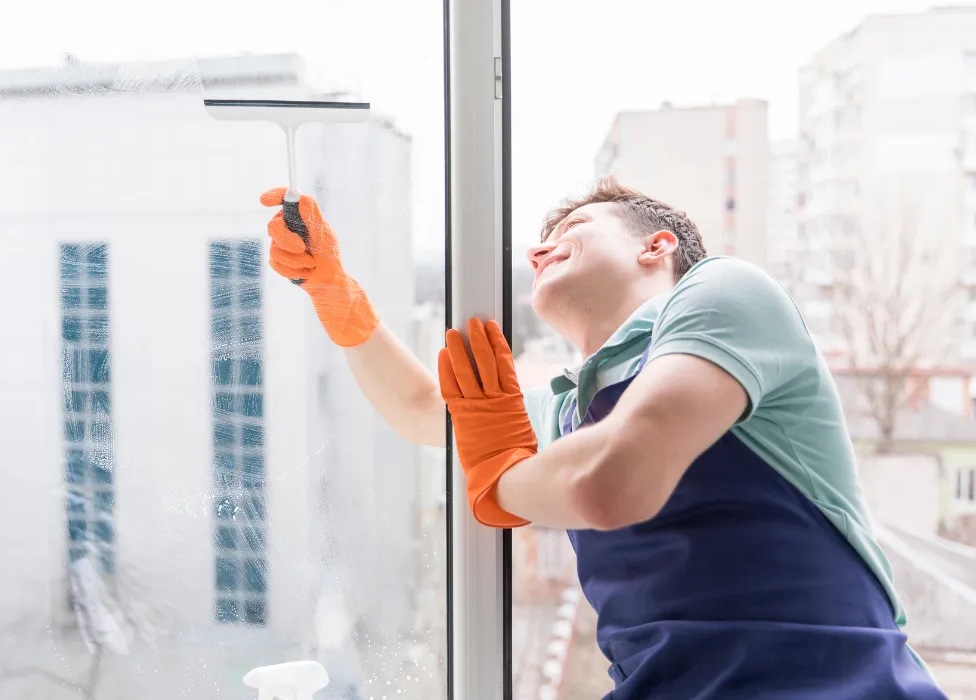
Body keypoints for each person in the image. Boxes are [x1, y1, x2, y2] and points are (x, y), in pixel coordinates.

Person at [260, 180, 947, 699]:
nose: (539, 247)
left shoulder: (725, 295)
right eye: (540, 242)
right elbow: (418, 408)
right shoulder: (570, 411)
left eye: (577, 226)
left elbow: (613, 482)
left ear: (657, 246)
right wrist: (334, 293)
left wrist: (500, 474)